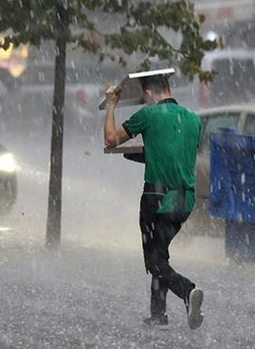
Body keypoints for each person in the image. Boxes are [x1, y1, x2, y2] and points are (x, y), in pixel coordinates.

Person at [103, 73, 204, 330]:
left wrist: (112, 104)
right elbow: (175, 154)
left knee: (154, 261)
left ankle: (187, 291)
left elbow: (110, 139)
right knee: (160, 253)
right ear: (169, 88)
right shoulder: (193, 119)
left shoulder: (148, 115)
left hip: (157, 199)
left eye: (145, 98)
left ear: (148, 95)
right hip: (185, 201)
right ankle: (158, 314)